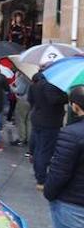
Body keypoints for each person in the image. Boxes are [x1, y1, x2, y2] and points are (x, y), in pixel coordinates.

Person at [44, 86, 84, 228]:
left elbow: (60, 172)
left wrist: (48, 192)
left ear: (75, 106)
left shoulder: (71, 134)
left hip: (73, 204)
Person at [28, 71, 69, 191]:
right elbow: (54, 100)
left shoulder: (35, 84)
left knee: (38, 149)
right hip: (49, 122)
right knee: (44, 151)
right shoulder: (50, 85)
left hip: (38, 118)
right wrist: (66, 96)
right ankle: (41, 179)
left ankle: (38, 173)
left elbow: (30, 100)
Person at [11, 71, 31, 147]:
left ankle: (22, 139)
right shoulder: (30, 77)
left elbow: (20, 91)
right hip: (30, 101)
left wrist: (11, 87)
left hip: (22, 101)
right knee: (28, 121)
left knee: (21, 120)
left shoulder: (22, 78)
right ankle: (28, 138)